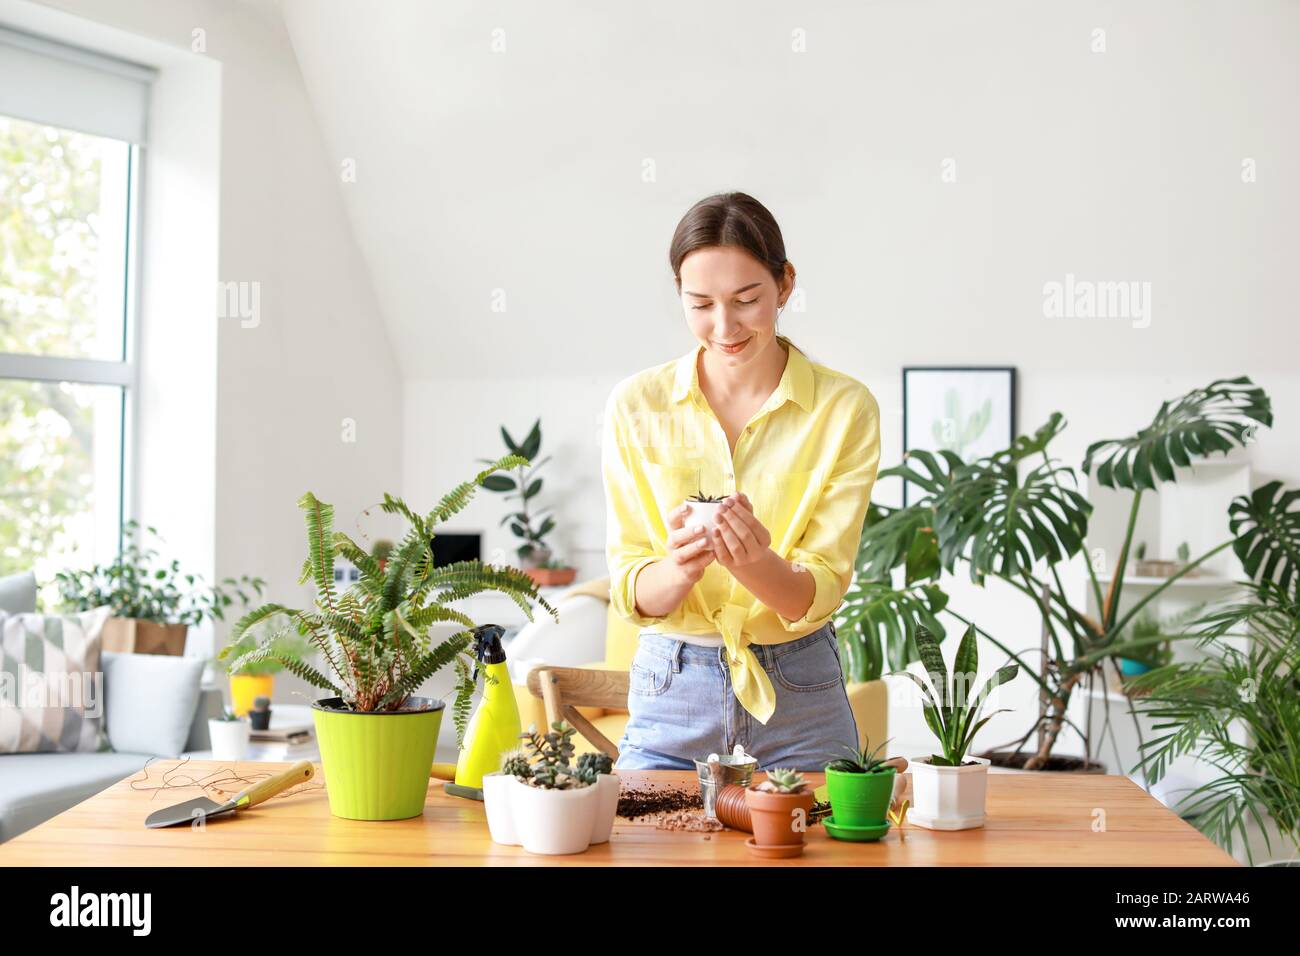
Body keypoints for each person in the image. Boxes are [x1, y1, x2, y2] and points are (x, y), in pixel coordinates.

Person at [601, 191, 881, 771]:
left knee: (821, 858)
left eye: (746, 300)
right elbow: (631, 588)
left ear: (785, 284)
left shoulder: (844, 409)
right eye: (699, 303)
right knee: (642, 855)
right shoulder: (636, 405)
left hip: (800, 688)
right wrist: (680, 567)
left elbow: (816, 593)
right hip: (670, 685)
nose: (723, 326)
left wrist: (752, 562)